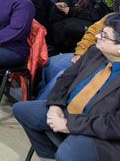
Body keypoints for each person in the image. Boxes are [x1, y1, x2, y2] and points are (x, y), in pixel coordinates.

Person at [13, 14, 120, 161]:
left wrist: (69, 125)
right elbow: (66, 78)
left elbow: (114, 125)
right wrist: (55, 105)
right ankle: (49, 154)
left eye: (104, 36)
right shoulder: (95, 51)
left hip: (98, 130)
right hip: (68, 110)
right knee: (21, 110)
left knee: (67, 154)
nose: (96, 36)